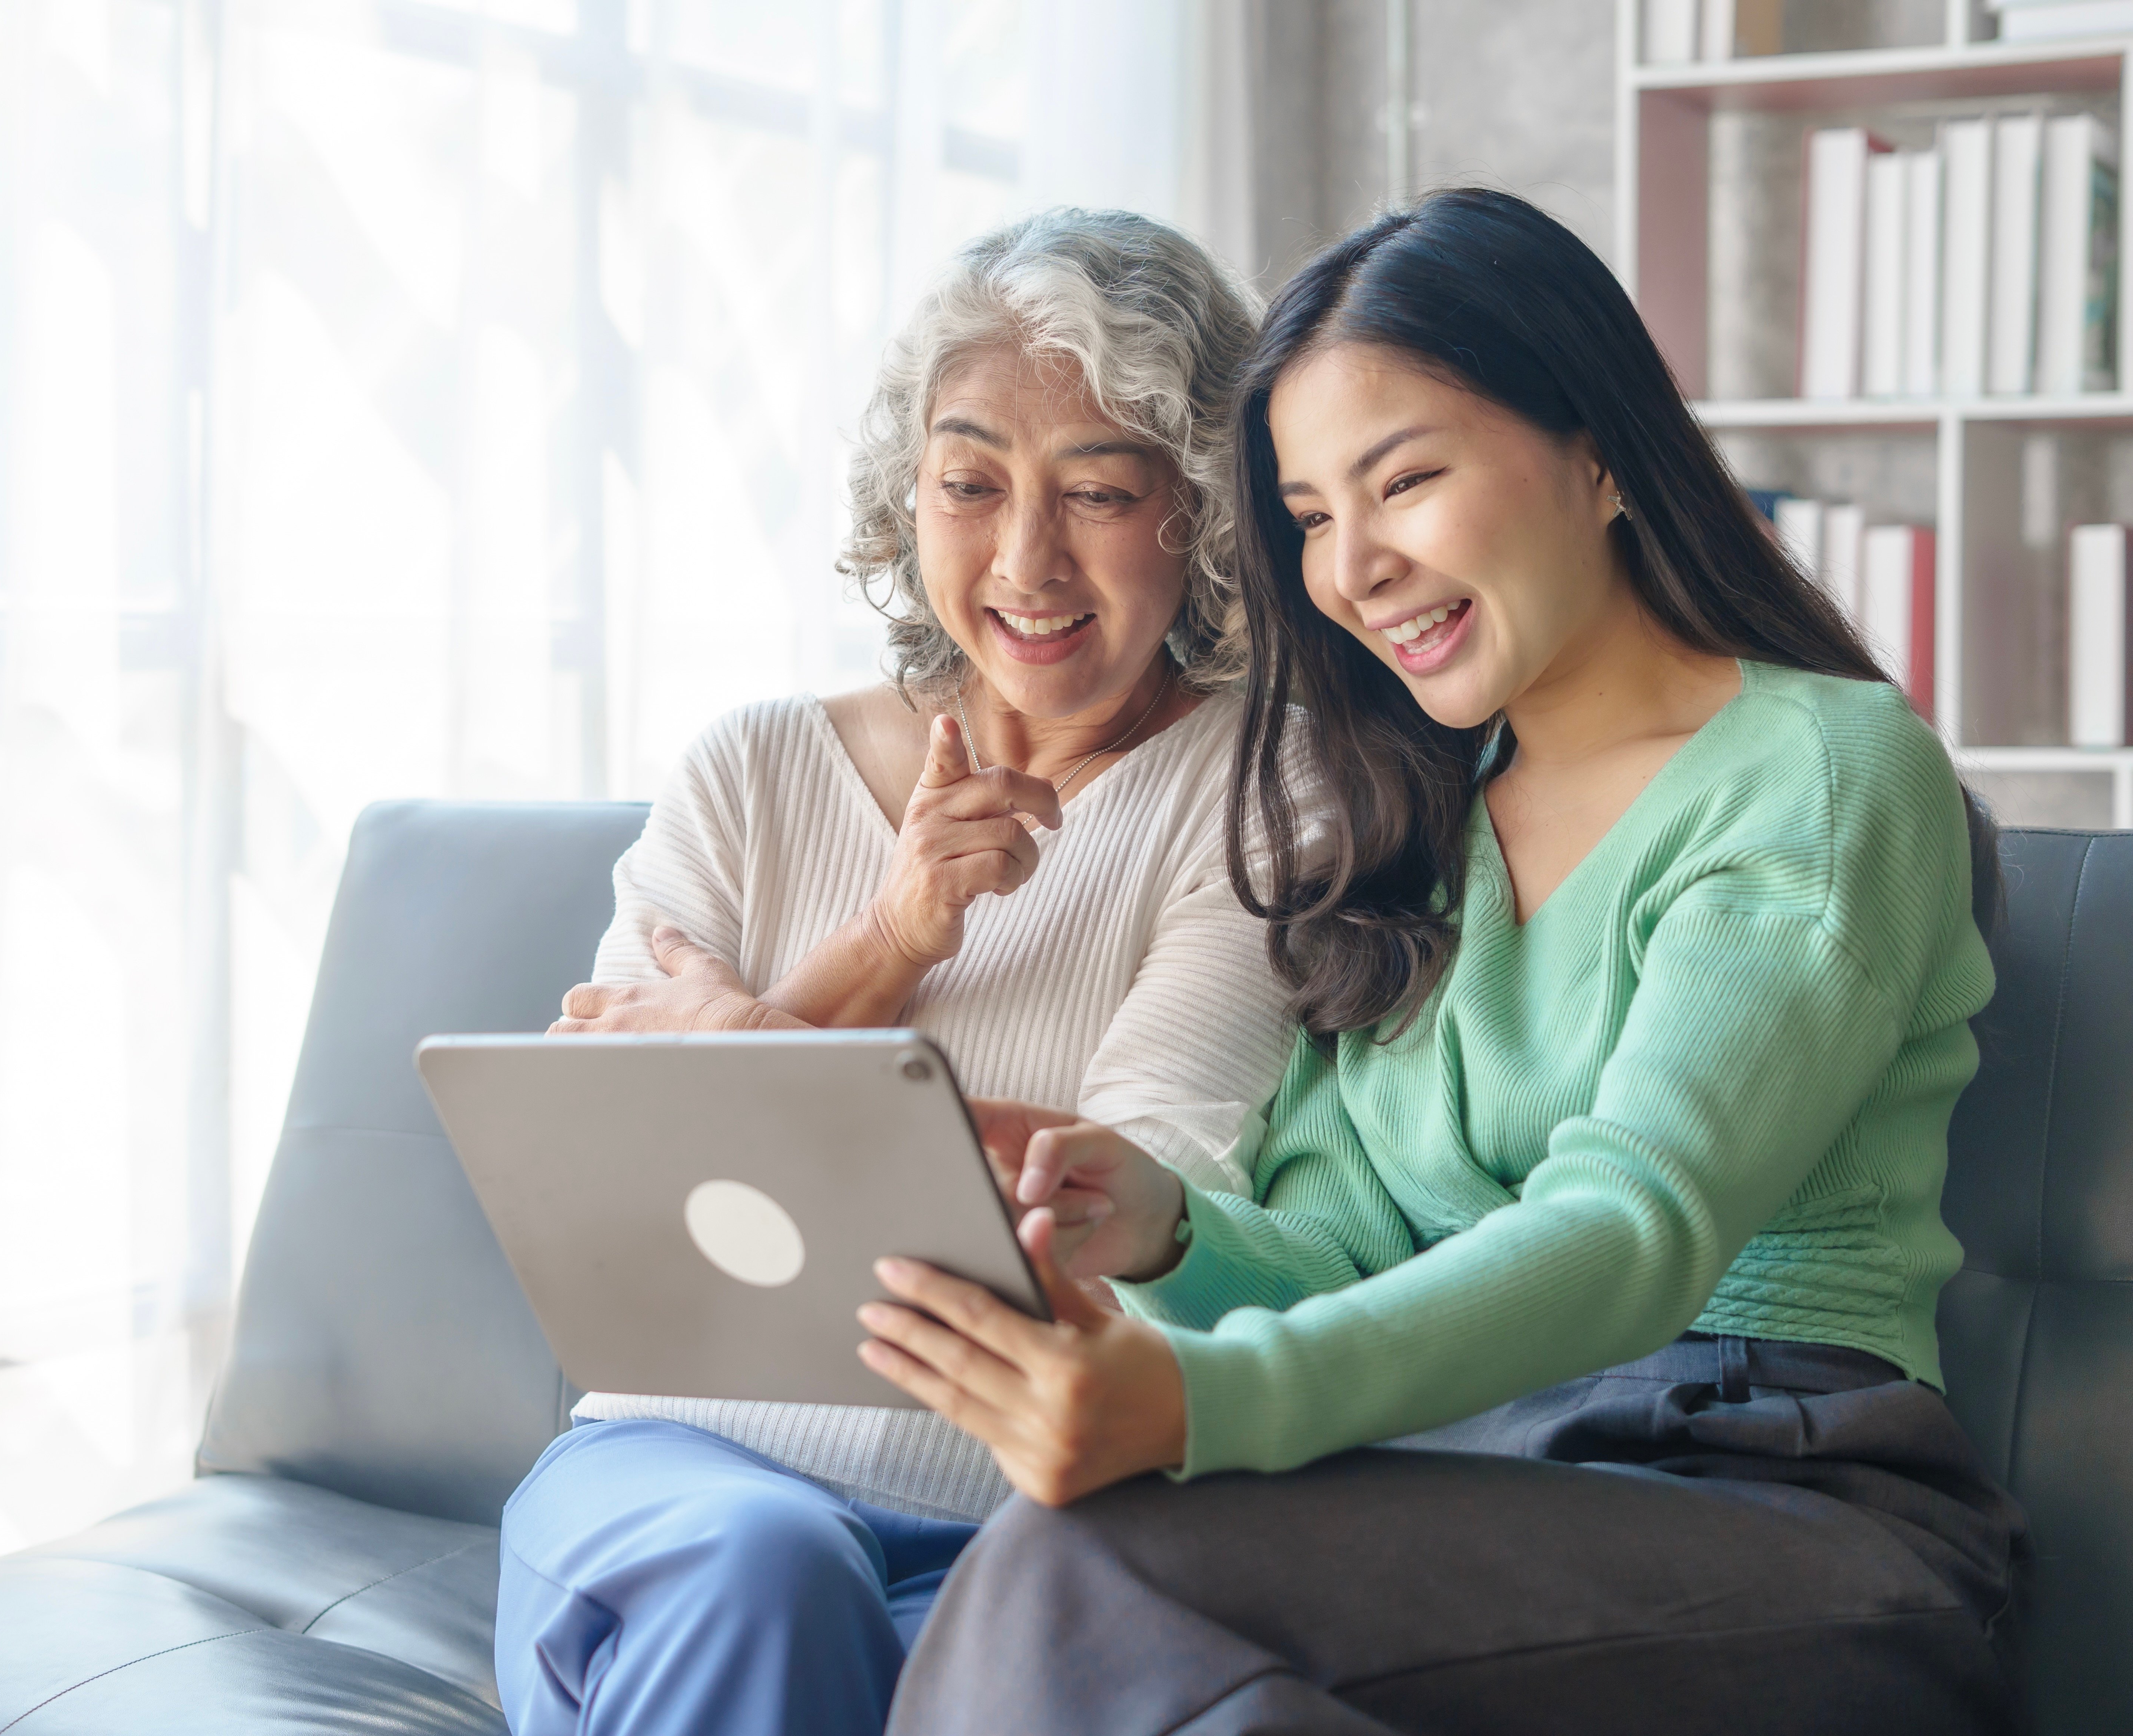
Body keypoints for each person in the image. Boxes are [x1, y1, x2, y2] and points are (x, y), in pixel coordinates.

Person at [860, 188, 2026, 1736]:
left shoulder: (1816, 775)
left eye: (1403, 480)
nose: (1355, 570)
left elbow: (1631, 1225)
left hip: (1786, 1500)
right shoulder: (1421, 820)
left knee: (1072, 1574)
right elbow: (1343, 1230)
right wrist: (1158, 1232)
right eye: (1312, 518)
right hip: (1479, 1477)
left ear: (1596, 449)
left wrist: (1210, 1401)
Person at [493, 209, 1295, 1736]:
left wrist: (735, 1031)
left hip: (1017, 1512)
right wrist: (892, 937)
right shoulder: (748, 768)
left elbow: (1108, 1197)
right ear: (907, 495)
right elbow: (603, 1186)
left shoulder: (1255, 799)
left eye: (1102, 492)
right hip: (673, 1481)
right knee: (765, 1563)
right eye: (968, 483)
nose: (1024, 560)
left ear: (1197, 509)